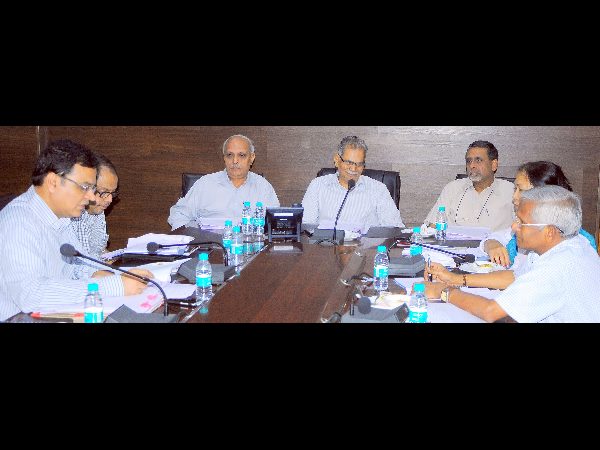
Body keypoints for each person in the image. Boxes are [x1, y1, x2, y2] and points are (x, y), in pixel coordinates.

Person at [0, 139, 152, 321]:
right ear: (53, 182)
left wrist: (105, 275)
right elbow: (31, 296)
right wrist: (113, 286)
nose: (91, 197)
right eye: (84, 187)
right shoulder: (19, 222)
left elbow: (74, 267)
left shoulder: (61, 217)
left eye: (92, 189)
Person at [423, 186, 600, 322]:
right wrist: (455, 279)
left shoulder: (558, 266)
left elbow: (490, 312)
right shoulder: (571, 243)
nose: (514, 227)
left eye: (522, 222)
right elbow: (515, 277)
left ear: (549, 232)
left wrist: (444, 292)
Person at [481, 161, 596, 267]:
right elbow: (499, 237)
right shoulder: (530, 226)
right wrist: (492, 244)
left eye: (521, 190)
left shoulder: (569, 244)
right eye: (515, 189)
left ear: (544, 195)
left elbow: (520, 276)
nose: (514, 197)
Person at [167, 134, 280, 230]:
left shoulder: (263, 187)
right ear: (224, 158)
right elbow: (178, 216)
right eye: (229, 155)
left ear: (251, 158)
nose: (235, 161)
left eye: (241, 155)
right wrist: (191, 239)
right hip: (209, 246)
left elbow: (275, 224)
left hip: (249, 246)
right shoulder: (205, 184)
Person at [301, 135, 404, 231]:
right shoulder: (317, 186)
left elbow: (395, 229)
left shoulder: (378, 189)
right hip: (326, 244)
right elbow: (305, 227)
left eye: (359, 164)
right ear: (337, 160)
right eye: (349, 162)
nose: (354, 169)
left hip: (366, 245)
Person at [424, 140, 514, 231]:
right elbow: (432, 225)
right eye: (469, 161)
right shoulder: (452, 188)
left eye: (478, 160)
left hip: (495, 240)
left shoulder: (511, 191)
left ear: (493, 165)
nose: (472, 165)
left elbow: (521, 227)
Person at [71, 152, 119, 259]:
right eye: (104, 192)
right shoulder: (68, 214)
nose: (110, 199)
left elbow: (99, 252)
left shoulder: (97, 210)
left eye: (112, 193)